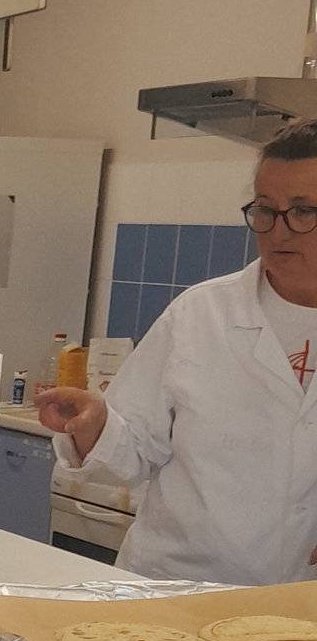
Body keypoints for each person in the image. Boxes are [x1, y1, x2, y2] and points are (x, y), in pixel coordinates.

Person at [36, 122, 317, 583]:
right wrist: (96, 425)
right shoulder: (201, 314)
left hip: (297, 606)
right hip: (175, 587)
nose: (277, 230)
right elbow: (133, 447)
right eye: (265, 209)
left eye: (303, 211)